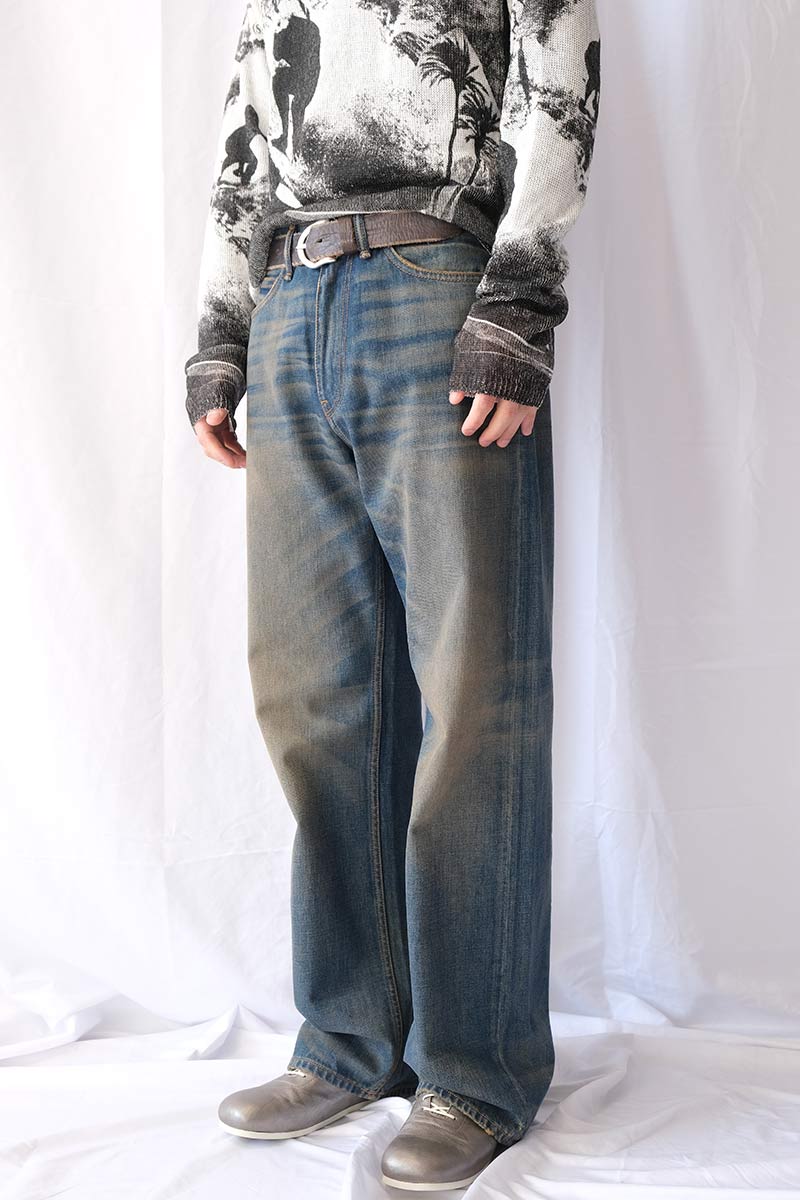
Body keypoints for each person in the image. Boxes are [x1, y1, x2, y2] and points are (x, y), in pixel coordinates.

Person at [184, 0, 600, 1190]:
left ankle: (472, 1069)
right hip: (289, 300)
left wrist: (514, 310)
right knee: (311, 693)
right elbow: (244, 133)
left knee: (474, 694)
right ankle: (349, 1041)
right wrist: (221, 331)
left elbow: (557, 81)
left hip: (434, 280)